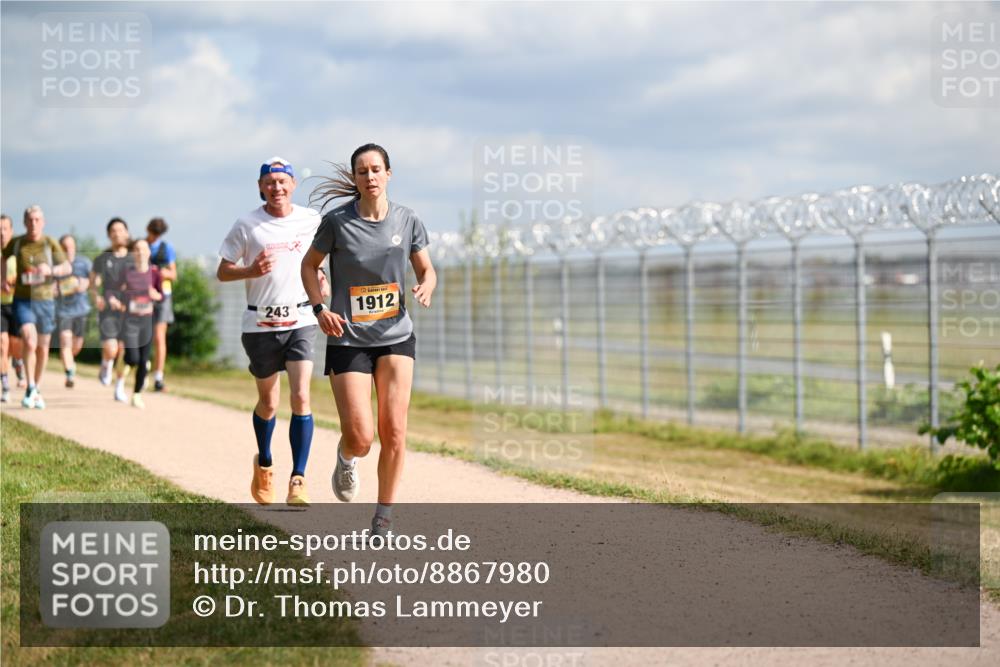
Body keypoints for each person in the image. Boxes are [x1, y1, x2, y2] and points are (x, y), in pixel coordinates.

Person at [301, 143, 436, 538]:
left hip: (396, 336)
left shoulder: (408, 220)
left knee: (394, 430)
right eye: (362, 171)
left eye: (376, 169)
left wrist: (427, 286)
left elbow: (426, 269)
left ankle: (383, 517)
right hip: (348, 338)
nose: (370, 177)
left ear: (388, 174)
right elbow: (308, 266)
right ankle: (347, 456)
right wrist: (319, 309)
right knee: (362, 436)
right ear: (356, 179)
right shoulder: (337, 222)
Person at [217, 156, 325, 506]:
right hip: (260, 324)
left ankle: (299, 479)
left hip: (301, 321)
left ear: (293, 185)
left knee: (301, 398)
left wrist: (322, 277)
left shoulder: (312, 220)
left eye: (283, 181)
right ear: (261, 187)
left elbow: (323, 259)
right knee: (269, 402)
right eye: (270, 182)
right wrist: (249, 270)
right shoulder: (248, 224)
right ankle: (264, 463)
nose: (277, 188)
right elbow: (223, 270)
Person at [1, 206, 73, 409]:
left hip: (46, 301)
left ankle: (36, 388)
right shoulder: (17, 243)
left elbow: (67, 267)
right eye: (30, 220)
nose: (33, 223)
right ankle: (30, 386)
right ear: (24, 222)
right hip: (23, 301)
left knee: (42, 347)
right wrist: (3, 278)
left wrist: (50, 269)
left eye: (37, 220)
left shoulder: (50, 243)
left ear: (43, 222)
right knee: (29, 340)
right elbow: (3, 258)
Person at [115, 239, 162, 408]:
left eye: (143, 249)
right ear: (133, 253)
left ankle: (136, 394)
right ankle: (125, 360)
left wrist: (155, 295)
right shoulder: (127, 272)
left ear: (149, 252)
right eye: (137, 249)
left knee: (143, 360)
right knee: (133, 358)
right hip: (130, 321)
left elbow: (161, 295)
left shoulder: (155, 273)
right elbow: (116, 290)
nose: (140, 252)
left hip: (147, 321)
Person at [90, 218, 131, 388]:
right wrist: (96, 298)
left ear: (127, 233)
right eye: (113, 231)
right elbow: (93, 282)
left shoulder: (133, 258)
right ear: (109, 235)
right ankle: (106, 364)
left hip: (129, 310)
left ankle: (120, 386)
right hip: (108, 310)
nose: (117, 234)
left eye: (120, 230)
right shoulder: (102, 258)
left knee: (122, 350)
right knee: (111, 349)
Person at [55, 235, 92, 388]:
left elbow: (94, 280)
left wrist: (87, 283)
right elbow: (50, 289)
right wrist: (70, 286)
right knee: (65, 340)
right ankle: (69, 373)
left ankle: (69, 360)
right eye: (65, 247)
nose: (69, 250)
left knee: (76, 346)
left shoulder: (84, 263)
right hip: (63, 311)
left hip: (81, 310)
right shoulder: (55, 266)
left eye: (71, 246)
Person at [146, 217, 176, 392]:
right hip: (143, 296)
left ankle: (158, 377)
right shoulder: (141, 246)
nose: (154, 236)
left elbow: (174, 274)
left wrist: (162, 273)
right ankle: (142, 370)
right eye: (152, 232)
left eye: (157, 234)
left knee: (159, 337)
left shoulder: (167, 248)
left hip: (163, 296)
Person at [0, 214, 20, 403]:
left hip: (17, 303)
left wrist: (14, 282)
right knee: (2, 343)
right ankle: (5, 383)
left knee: (15, 346)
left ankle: (18, 361)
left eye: (5, 228)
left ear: (11, 231)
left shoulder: (17, 252)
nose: (2, 233)